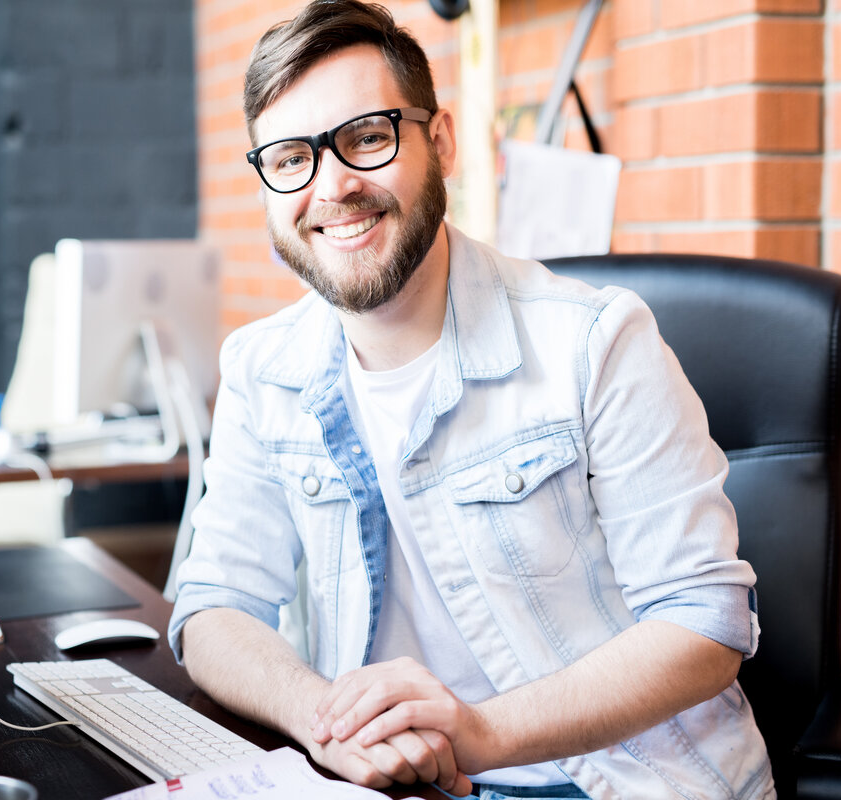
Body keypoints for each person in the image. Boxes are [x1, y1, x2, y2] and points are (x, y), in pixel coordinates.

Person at [167, 2, 775, 798]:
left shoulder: (596, 342)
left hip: (621, 783)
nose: (334, 186)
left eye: (367, 137)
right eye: (290, 158)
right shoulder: (261, 368)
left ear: (441, 141)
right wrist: (326, 721)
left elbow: (707, 624)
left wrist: (480, 733)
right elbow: (212, 606)